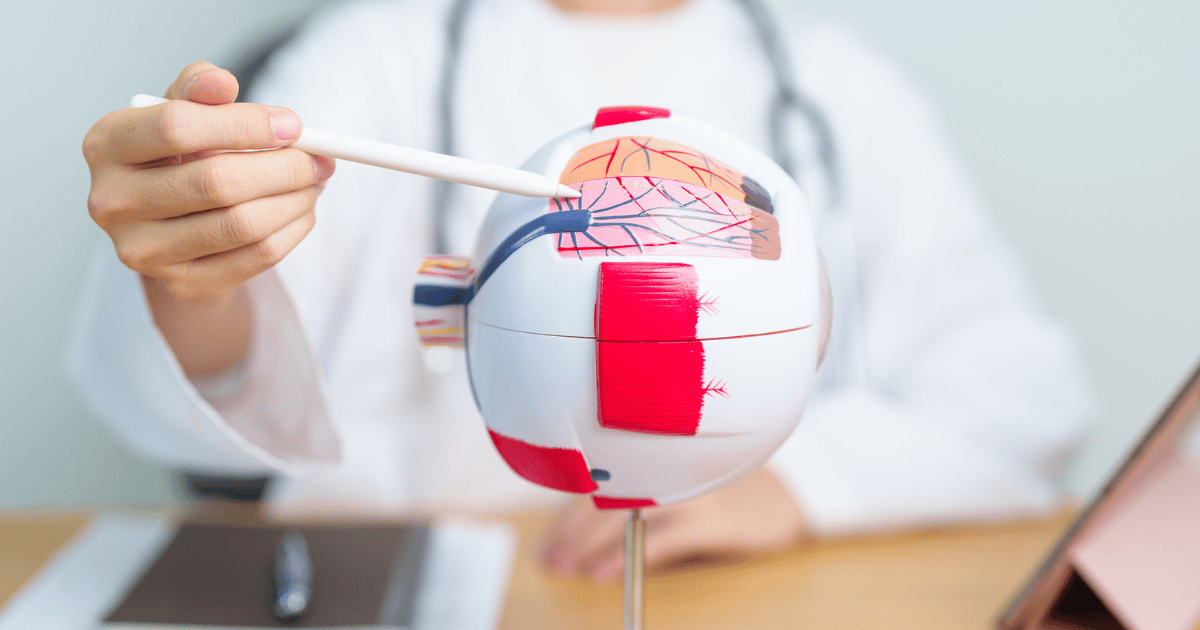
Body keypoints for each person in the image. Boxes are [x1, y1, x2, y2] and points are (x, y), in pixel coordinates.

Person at [72, 0, 1090, 583]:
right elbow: (231, 380)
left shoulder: (836, 86)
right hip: (446, 584)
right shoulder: (376, 55)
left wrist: (808, 481)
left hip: (745, 594)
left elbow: (1024, 397)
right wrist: (188, 261)